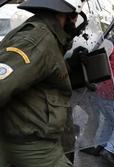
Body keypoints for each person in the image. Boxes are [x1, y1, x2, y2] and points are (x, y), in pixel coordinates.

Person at [0, 0, 87, 166]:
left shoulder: (47, 35)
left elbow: (41, 76)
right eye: (76, 15)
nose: (76, 21)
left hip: (32, 136)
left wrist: (71, 64)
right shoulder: (38, 39)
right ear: (67, 13)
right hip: (31, 145)